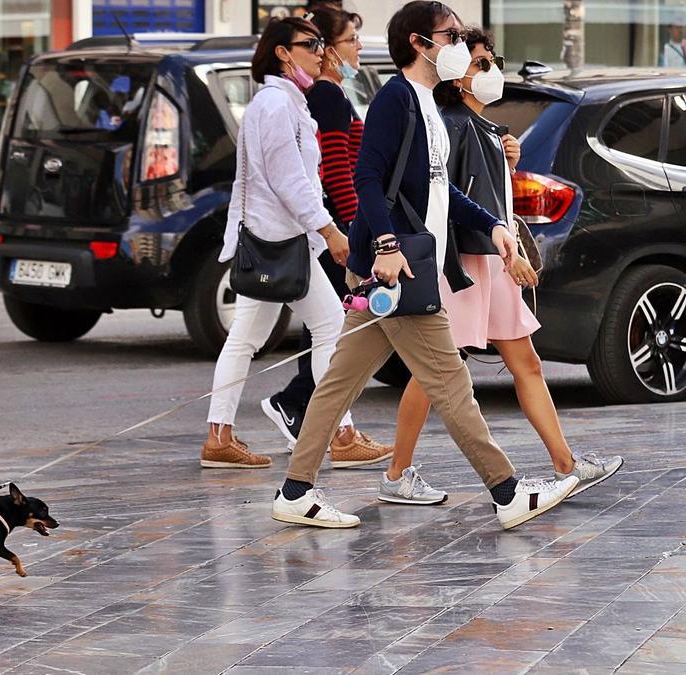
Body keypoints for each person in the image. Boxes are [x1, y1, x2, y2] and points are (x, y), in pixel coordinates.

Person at [270, 0, 579, 529]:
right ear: (419, 42)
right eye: (451, 34)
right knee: (451, 383)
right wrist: (387, 246)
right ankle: (507, 492)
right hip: (400, 268)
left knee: (339, 384)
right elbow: (368, 176)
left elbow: (441, 188)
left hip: (404, 265)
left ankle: (295, 491)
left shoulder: (427, 103)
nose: (459, 44)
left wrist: (495, 224)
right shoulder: (396, 99)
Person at [381, 27, 624, 505]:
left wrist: (505, 165)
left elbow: (485, 197)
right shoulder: (450, 125)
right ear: (457, 74)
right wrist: (497, 251)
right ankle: (395, 473)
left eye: (492, 60)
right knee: (435, 374)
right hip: (464, 265)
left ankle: (566, 463)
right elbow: (441, 202)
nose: (491, 71)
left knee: (524, 364)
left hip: (492, 263)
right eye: (480, 63)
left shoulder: (483, 128)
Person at [200, 17, 354, 469]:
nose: (320, 52)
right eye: (310, 44)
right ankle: (338, 434)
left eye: (322, 43)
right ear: (283, 52)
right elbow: (289, 181)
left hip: (278, 239)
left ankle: (220, 436)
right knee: (330, 327)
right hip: (281, 240)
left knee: (246, 337)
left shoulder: (288, 102)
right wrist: (328, 229)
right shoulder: (275, 105)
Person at [260, 6, 393, 469]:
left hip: (335, 226)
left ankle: (303, 410)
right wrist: (357, 229)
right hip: (337, 228)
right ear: (331, 50)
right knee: (333, 329)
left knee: (327, 327)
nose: (359, 48)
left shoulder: (331, 94)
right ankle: (311, 414)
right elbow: (334, 169)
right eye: (352, 40)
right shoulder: (328, 98)